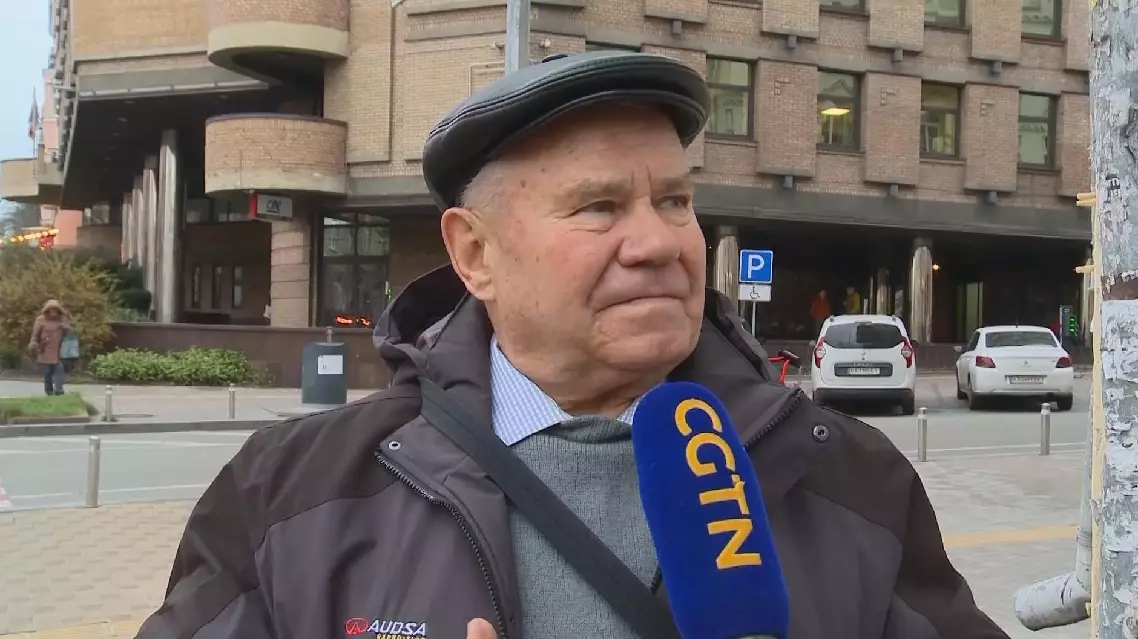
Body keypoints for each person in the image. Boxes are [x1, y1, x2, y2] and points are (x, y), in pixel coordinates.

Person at [135, 52, 1007, 639]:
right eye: (599, 207)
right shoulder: (291, 494)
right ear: (475, 253)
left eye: (674, 201)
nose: (658, 242)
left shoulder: (845, 477)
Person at [28, 299, 71, 396]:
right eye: (51, 310)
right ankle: (49, 391)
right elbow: (35, 335)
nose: (53, 312)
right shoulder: (41, 320)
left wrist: (65, 328)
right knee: (47, 373)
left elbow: (69, 332)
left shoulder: (62, 319)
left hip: (58, 350)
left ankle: (59, 390)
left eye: (55, 310)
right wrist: (33, 343)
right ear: (47, 310)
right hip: (45, 350)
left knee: (59, 370)